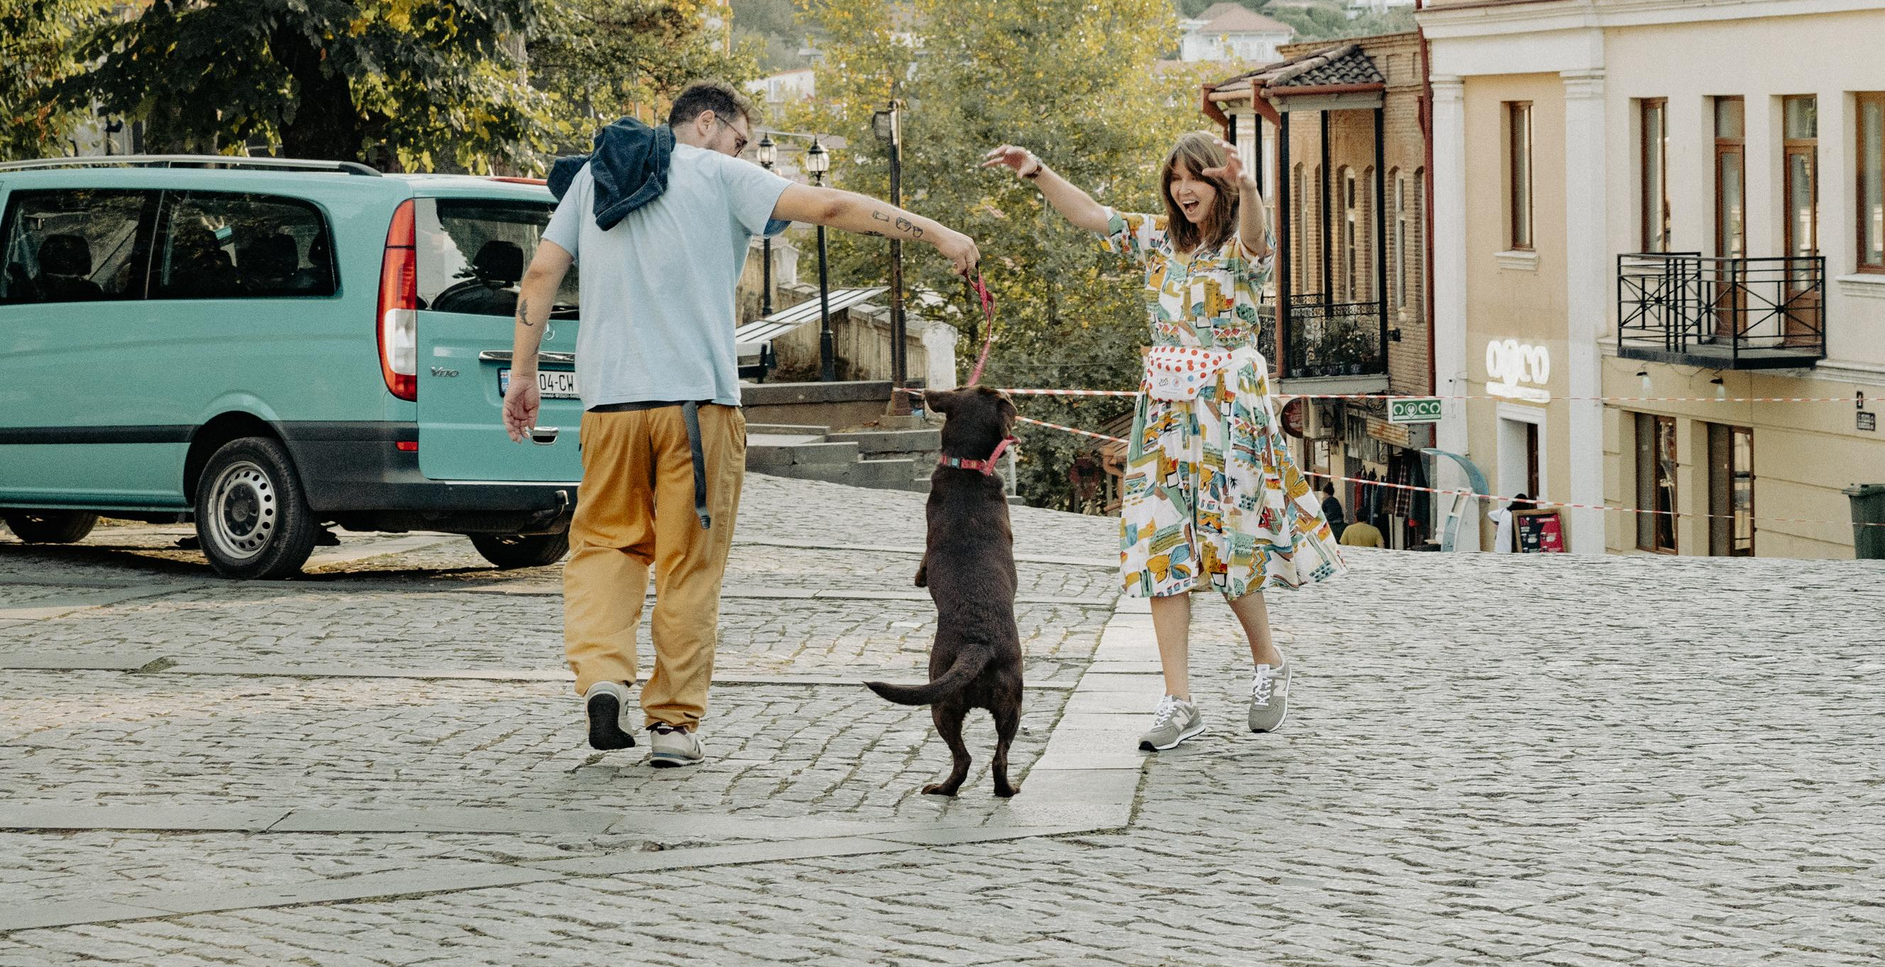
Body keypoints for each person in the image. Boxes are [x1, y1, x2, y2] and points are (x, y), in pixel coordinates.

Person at [507, 82, 979, 767]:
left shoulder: (592, 178)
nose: (743, 155)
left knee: (605, 546)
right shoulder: (720, 174)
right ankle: (672, 725)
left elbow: (542, 272)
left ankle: (604, 678)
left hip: (609, 407)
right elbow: (832, 206)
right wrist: (936, 231)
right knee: (689, 565)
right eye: (740, 141)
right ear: (707, 123)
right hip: (697, 409)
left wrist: (523, 372)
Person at [984, 131, 1339, 751]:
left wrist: (1250, 187)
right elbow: (1091, 215)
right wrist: (1036, 169)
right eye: (1175, 178)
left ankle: (1268, 662)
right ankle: (1180, 701)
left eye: (1195, 177)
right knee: (1163, 549)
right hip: (1166, 412)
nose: (1183, 189)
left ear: (1219, 183)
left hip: (1227, 409)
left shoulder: (1241, 247)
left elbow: (1258, 235)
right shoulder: (1158, 239)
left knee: (1230, 544)